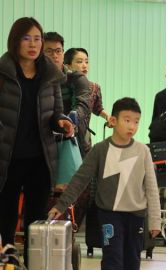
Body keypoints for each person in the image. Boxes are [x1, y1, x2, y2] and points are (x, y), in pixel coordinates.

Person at [49, 97, 161, 270]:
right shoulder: (100, 149)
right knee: (112, 259)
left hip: (136, 216)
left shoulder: (143, 151)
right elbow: (81, 178)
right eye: (127, 120)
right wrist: (61, 205)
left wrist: (155, 221)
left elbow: (152, 188)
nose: (132, 126)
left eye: (136, 122)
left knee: (132, 261)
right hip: (109, 215)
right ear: (113, 121)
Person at [0, 17, 74, 264]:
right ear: (15, 41)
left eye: (37, 39)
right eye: (26, 38)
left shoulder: (49, 75)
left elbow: (56, 113)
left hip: (40, 158)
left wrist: (62, 122)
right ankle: (7, 259)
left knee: (36, 217)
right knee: (6, 213)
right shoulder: (3, 73)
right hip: (7, 157)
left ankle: (34, 262)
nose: (33, 44)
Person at [43, 32, 91, 156]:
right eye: (49, 51)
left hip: (73, 142)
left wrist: (69, 121)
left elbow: (82, 106)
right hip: (43, 144)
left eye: (58, 51)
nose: (54, 55)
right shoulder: (36, 81)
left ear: (63, 54)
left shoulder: (76, 79)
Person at [64, 47, 110, 149]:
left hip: (84, 137)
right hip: (64, 133)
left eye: (87, 61)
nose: (85, 65)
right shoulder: (62, 85)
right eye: (79, 62)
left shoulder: (94, 87)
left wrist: (108, 117)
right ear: (67, 66)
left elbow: (98, 108)